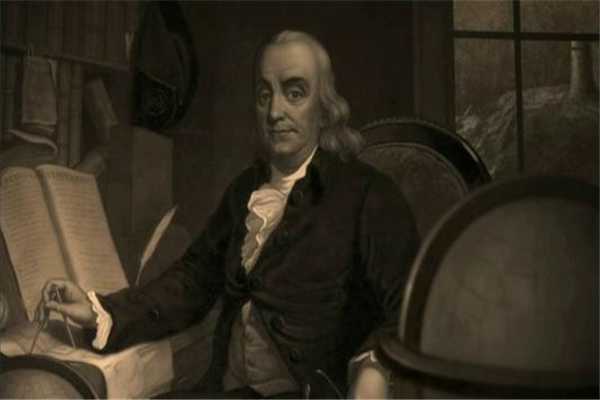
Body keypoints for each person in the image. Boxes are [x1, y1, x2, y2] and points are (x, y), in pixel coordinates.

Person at [39, 30, 419, 399]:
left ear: (324, 108)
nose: (275, 112)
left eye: (294, 93)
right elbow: (191, 282)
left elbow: (409, 306)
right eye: (264, 95)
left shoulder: (366, 194)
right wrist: (100, 310)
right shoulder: (243, 191)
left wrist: (372, 368)